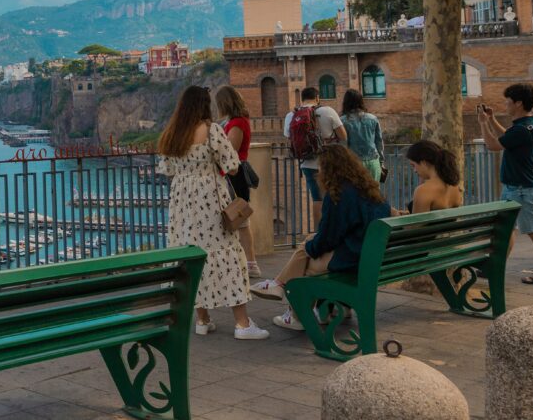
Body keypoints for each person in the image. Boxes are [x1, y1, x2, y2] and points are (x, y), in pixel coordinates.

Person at [157, 86, 268, 340]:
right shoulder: (212, 131)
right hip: (209, 197)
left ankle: (202, 320)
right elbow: (231, 167)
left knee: (191, 256)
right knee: (227, 255)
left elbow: (167, 169)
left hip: (182, 201)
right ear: (204, 105)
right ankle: (242, 323)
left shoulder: (171, 134)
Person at [252, 145, 390, 329]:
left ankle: (296, 315)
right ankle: (332, 308)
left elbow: (328, 237)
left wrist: (311, 249)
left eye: (320, 168)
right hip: (371, 256)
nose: (318, 172)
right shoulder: (372, 191)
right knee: (309, 242)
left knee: (306, 265)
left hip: (353, 259)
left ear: (329, 169)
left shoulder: (339, 195)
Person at [477, 83, 533, 285]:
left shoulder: (522, 129)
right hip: (517, 188)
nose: (505, 104)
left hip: (521, 190)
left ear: (518, 103)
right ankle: (495, 267)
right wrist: (492, 119)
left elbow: (494, 145)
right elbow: (507, 136)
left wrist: (482, 123)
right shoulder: (528, 124)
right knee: (507, 229)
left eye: (508, 101)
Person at [213, 85, 260, 278]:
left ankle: (251, 264)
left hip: (235, 176)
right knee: (238, 220)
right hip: (234, 175)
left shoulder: (237, 123)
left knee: (240, 220)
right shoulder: (236, 121)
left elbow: (229, 151)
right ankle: (246, 262)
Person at [283, 87, 347, 225]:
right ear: (317, 98)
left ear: (302, 99)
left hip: (307, 163)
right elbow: (343, 136)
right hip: (329, 161)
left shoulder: (291, 115)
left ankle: (319, 232)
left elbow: (289, 140)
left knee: (317, 199)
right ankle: (335, 229)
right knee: (333, 196)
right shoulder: (327, 111)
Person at [392, 140, 463, 215]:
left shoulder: (423, 191)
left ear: (424, 163)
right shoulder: (454, 186)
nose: (415, 170)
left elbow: (415, 226)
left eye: (413, 165)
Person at [340, 90, 385, 182]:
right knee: (374, 193)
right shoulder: (373, 118)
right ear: (361, 101)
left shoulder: (342, 121)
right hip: (373, 161)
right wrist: (381, 162)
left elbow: (343, 145)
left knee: (356, 193)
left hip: (353, 162)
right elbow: (379, 142)